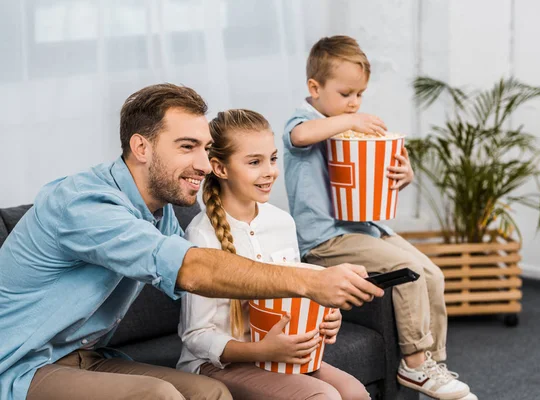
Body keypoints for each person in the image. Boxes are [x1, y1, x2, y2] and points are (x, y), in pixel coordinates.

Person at [0, 84, 383, 400]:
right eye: (187, 147)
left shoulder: (160, 213)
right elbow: (192, 268)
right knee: (160, 396)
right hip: (21, 366)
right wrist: (311, 280)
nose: (203, 164)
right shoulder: (85, 204)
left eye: (204, 147)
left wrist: (313, 309)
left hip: (86, 356)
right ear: (141, 148)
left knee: (210, 394)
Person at [282, 36, 478, 400]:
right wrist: (349, 119)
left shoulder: (343, 122)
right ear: (315, 87)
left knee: (432, 273)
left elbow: (365, 183)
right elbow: (301, 136)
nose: (354, 102)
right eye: (345, 94)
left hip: (365, 229)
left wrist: (404, 177)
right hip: (325, 239)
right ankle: (415, 362)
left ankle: (432, 363)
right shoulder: (305, 120)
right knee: (408, 268)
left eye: (360, 94)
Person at [177, 109, 371, 400]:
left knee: (354, 393)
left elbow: (294, 296)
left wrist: (326, 317)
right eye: (255, 162)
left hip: (276, 357)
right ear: (220, 168)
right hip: (217, 364)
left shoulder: (282, 222)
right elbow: (196, 336)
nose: (270, 171)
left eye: (273, 158)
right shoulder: (200, 235)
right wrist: (261, 350)